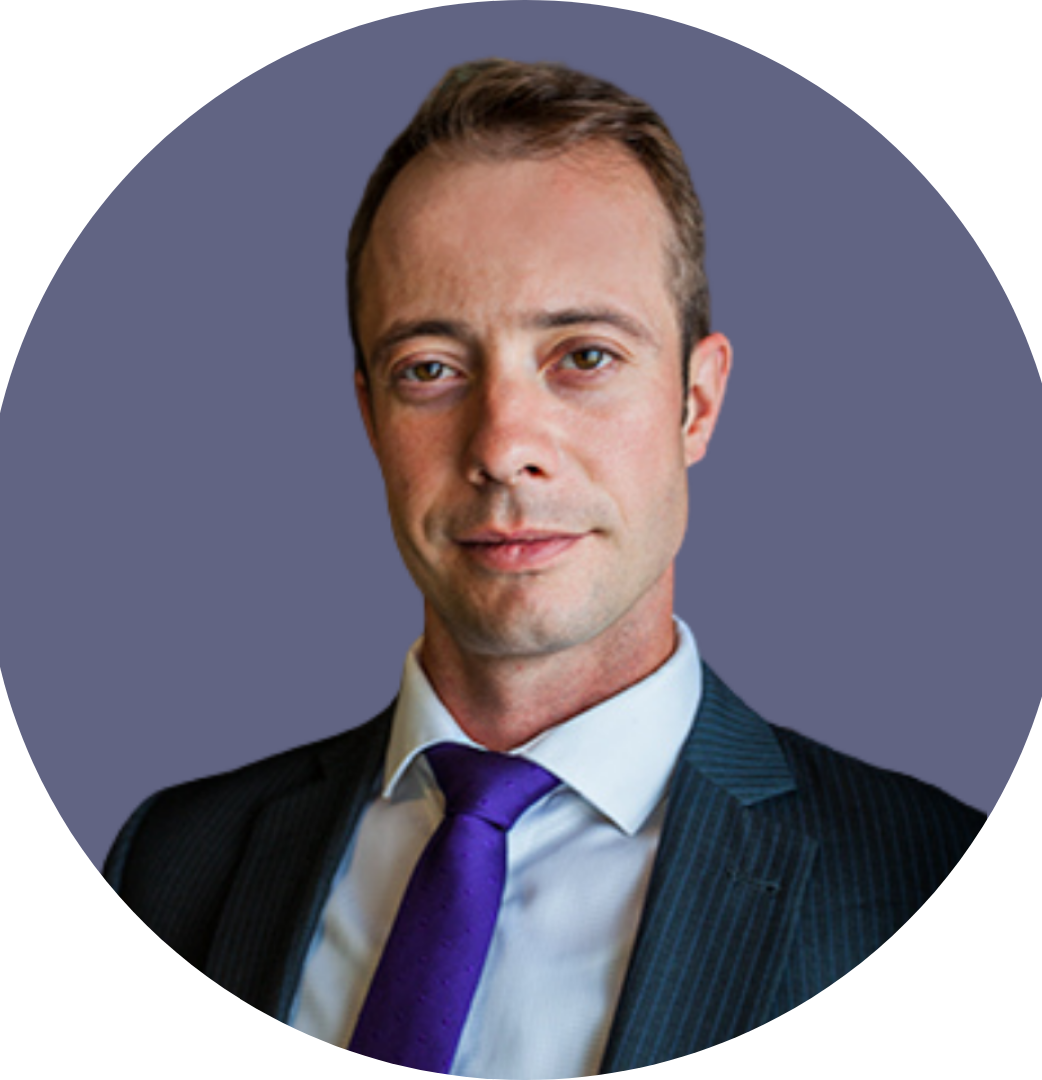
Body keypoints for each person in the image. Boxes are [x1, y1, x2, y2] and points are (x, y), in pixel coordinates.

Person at [104, 59, 986, 1076]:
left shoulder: (918, 875)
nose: (503, 445)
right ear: (371, 417)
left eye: (584, 355)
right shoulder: (172, 862)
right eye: (430, 369)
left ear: (696, 403)